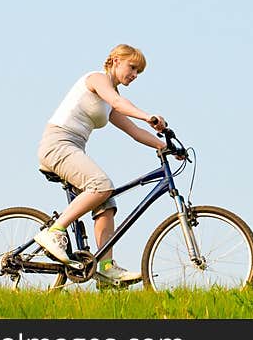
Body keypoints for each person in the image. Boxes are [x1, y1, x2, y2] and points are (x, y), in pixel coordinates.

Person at [35, 43, 169, 287]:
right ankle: (54, 231)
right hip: (57, 144)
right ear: (116, 60)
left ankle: (106, 268)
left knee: (107, 203)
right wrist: (149, 116)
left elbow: (135, 131)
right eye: (132, 67)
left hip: (73, 148)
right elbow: (119, 103)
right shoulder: (96, 79)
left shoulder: (108, 103)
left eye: (139, 72)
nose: (135, 75)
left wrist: (165, 146)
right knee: (101, 185)